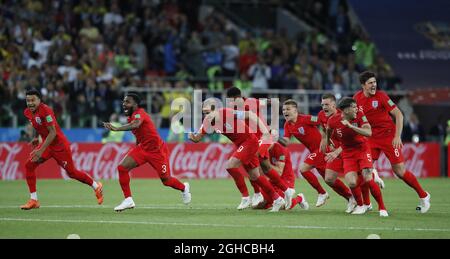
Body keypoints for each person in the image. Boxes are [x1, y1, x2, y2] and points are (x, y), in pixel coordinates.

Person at [188, 99, 287, 212]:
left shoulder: (226, 112)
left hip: (250, 141)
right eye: (204, 113)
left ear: (216, 109)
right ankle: (278, 199)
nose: (206, 115)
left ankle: (245, 197)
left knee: (230, 165)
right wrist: (192, 137)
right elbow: (197, 138)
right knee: (255, 176)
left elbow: (250, 115)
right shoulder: (207, 121)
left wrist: (264, 132)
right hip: (241, 144)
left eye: (208, 112)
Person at [354, 71, 431, 213]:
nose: (374, 85)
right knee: (363, 170)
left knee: (400, 171)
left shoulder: (382, 96)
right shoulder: (356, 98)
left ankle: (424, 196)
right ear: (363, 85)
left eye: (375, 82)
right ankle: (366, 204)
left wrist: (397, 136)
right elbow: (355, 117)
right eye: (370, 83)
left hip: (388, 136)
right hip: (370, 138)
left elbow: (399, 114)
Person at [103, 92, 191, 212]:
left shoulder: (140, 113)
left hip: (157, 151)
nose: (124, 104)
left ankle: (183, 188)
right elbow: (139, 134)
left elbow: (136, 124)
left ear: (135, 104)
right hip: (143, 148)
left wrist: (117, 128)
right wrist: (136, 149)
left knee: (166, 180)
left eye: (127, 102)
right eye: (123, 101)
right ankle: (128, 199)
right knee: (122, 168)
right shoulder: (131, 117)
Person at [21, 89, 103, 210]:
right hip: (47, 145)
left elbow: (53, 132)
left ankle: (96, 186)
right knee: (29, 165)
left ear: (39, 100)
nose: (30, 103)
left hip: (59, 146)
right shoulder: (27, 112)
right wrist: (35, 137)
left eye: (33, 100)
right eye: (28, 100)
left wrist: (40, 150)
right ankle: (34, 200)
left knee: (72, 173)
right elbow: (36, 124)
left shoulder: (46, 110)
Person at [226, 87, 296, 210]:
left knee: (253, 162)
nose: (231, 104)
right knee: (263, 166)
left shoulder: (252, 102)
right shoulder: (233, 109)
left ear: (238, 98)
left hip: (262, 138)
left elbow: (273, 102)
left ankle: (260, 193)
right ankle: (285, 190)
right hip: (250, 140)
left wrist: (274, 124)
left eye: (232, 101)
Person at [280, 99, 353, 209]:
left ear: (295, 111)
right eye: (283, 109)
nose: (285, 111)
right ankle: (351, 197)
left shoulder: (306, 118)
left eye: (288, 109)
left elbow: (322, 121)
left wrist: (325, 138)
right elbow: (286, 141)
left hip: (321, 149)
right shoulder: (287, 125)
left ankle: (322, 193)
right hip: (315, 152)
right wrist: (276, 138)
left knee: (303, 169)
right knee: (330, 180)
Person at [326, 97, 388, 217]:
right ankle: (360, 205)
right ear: (346, 110)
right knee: (352, 182)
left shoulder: (360, 115)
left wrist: (351, 126)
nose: (356, 109)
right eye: (353, 107)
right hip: (348, 152)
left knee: (367, 177)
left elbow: (369, 133)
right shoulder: (333, 120)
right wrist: (328, 141)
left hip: (362, 148)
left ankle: (382, 208)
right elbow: (329, 129)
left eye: (356, 107)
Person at [254, 142, 309, 211]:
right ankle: (271, 203)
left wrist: (267, 164)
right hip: (273, 180)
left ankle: (299, 198)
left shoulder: (281, 149)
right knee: (259, 205)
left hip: (286, 179)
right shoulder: (263, 150)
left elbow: (279, 172)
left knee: (284, 206)